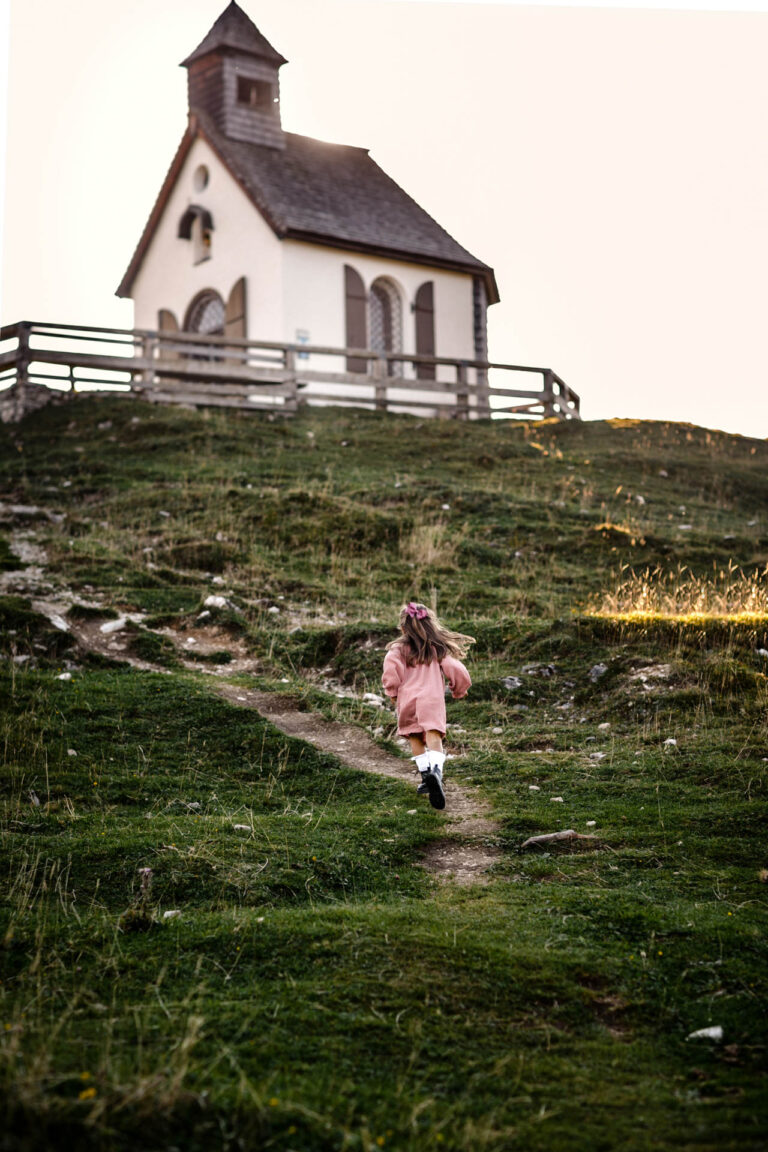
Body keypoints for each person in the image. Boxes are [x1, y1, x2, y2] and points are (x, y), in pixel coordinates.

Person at [382, 602, 474, 810]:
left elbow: (390, 672)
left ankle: (425, 777)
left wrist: (392, 693)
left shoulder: (397, 650)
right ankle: (436, 773)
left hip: (408, 700)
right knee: (433, 736)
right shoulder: (437, 649)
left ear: (403, 628)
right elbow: (456, 669)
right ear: (429, 625)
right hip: (431, 700)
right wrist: (459, 688)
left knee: (414, 736)